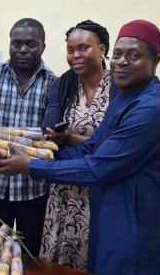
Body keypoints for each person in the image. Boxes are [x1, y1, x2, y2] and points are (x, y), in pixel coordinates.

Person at [0, 20, 160, 275]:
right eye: (119, 55)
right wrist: (33, 153)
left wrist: (31, 165)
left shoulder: (150, 110)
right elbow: (91, 148)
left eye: (134, 56)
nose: (122, 62)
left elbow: (98, 168)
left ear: (154, 61)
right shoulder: (125, 97)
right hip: (108, 216)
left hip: (137, 225)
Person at [40, 20, 115, 270]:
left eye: (83, 48)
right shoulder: (63, 84)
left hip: (103, 188)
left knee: (98, 257)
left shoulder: (119, 86)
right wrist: (60, 138)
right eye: (70, 50)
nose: (75, 56)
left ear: (102, 48)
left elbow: (117, 146)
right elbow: (49, 132)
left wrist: (73, 141)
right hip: (65, 189)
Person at [0, 18, 56, 256]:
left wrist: (24, 160)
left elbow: (48, 134)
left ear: (43, 46)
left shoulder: (54, 84)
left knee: (29, 251)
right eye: (17, 43)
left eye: (31, 44)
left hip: (32, 185)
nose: (22, 50)